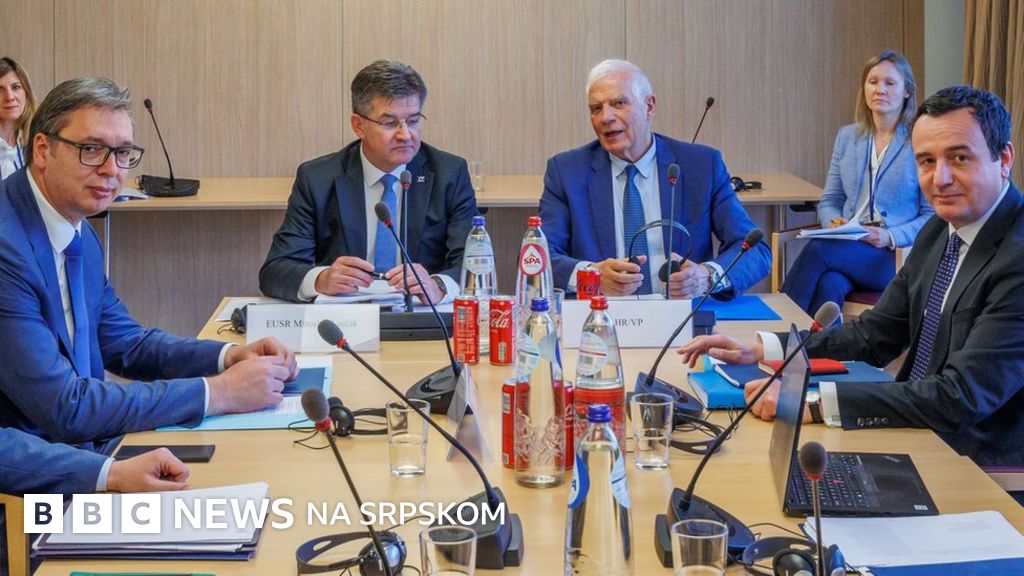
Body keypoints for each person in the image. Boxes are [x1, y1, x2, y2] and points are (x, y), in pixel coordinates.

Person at [678, 86, 1022, 468]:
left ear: (1004, 158)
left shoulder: (1017, 256)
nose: (939, 178)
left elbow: (961, 397)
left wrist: (814, 403)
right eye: (926, 161)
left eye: (959, 158)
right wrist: (762, 350)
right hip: (918, 431)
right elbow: (873, 336)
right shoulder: (940, 231)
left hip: (978, 465)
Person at [0, 77, 299, 455]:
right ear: (43, 150)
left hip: (82, 450)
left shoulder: (76, 229)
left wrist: (227, 356)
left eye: (123, 153)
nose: (111, 170)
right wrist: (217, 392)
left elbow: (126, 344)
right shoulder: (7, 246)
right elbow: (65, 407)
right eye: (91, 149)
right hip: (31, 473)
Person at [538, 59, 770, 299]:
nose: (605, 117)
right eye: (596, 108)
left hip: (682, 315)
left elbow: (755, 250)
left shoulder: (701, 166)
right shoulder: (567, 172)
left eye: (618, 103)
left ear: (649, 107)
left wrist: (706, 277)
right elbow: (538, 257)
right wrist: (591, 276)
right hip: (601, 314)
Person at [260, 59, 478, 304]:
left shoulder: (449, 174)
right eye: (390, 123)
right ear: (359, 126)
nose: (405, 134)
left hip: (421, 313)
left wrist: (437, 285)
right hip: (345, 316)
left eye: (413, 120)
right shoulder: (318, 178)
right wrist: (321, 279)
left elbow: (474, 264)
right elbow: (276, 271)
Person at [782, 50, 933, 314]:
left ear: (907, 91)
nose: (880, 90)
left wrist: (889, 236)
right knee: (830, 283)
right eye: (873, 82)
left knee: (818, 251)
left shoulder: (919, 140)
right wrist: (835, 225)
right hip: (848, 246)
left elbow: (931, 216)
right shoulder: (848, 137)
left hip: (895, 256)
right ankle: (814, 341)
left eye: (890, 83)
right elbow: (830, 200)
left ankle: (778, 328)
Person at [0, 57, 36, 181]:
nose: (9, 97)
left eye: (16, 87)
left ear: (27, 93)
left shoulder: (39, 143)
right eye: (0, 90)